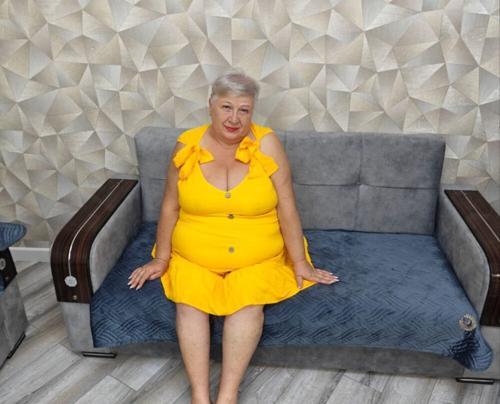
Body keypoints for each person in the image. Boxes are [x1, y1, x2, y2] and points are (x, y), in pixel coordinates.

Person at [127, 70, 339, 404]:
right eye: (226, 107)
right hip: (194, 254)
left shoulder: (267, 143)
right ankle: (199, 396)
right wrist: (161, 258)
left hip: (257, 256)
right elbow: (169, 205)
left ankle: (228, 396)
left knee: (247, 302)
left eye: (244, 110)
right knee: (190, 302)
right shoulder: (187, 144)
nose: (234, 118)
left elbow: (287, 206)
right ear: (210, 105)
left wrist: (300, 262)